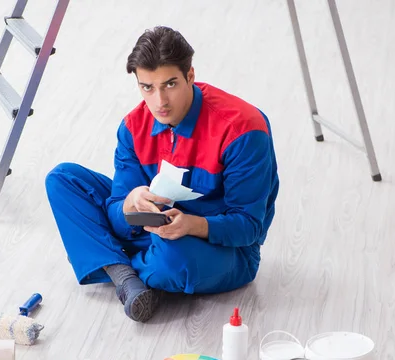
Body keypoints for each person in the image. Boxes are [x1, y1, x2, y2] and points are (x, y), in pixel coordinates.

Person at [45, 26, 279, 322]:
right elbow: (119, 217)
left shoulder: (243, 129)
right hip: (152, 232)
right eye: (147, 88)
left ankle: (102, 259)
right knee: (63, 179)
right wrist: (130, 201)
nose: (159, 102)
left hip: (221, 249)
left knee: (173, 260)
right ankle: (126, 276)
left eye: (170, 84)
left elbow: (249, 228)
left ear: (190, 76)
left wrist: (192, 225)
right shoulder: (132, 127)